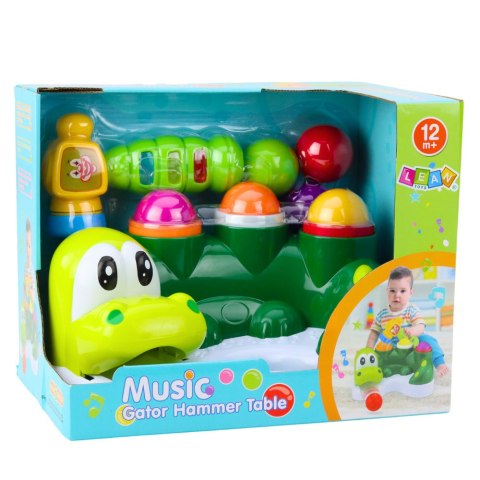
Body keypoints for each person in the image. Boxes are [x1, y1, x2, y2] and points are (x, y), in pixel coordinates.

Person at [366, 266, 449, 377]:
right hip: (391, 350)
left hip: (411, 348)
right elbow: (374, 333)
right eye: (392, 290)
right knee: (378, 353)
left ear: (410, 293)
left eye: (402, 291)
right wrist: (369, 350)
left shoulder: (412, 310)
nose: (397, 295)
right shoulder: (382, 315)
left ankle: (439, 364)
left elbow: (421, 327)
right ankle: (381, 367)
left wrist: (412, 331)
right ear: (387, 291)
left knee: (427, 339)